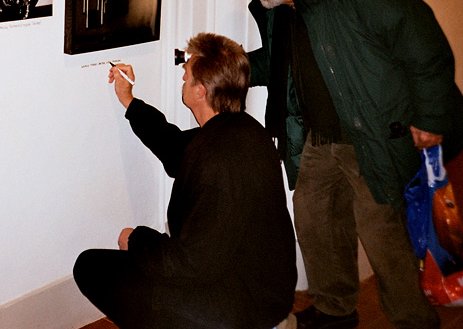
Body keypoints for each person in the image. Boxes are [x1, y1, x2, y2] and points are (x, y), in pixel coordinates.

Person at [225, 0, 463, 329]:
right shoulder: (284, 12)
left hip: (372, 137)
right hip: (321, 140)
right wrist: (224, 66)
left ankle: (414, 322)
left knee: (384, 236)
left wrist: (430, 118)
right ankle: (334, 310)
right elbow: (279, 65)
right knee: (313, 218)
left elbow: (424, 44)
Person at [73, 33, 297, 329]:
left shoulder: (219, 161)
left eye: (187, 73)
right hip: (260, 287)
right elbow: (175, 146)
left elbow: (191, 264)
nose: (182, 75)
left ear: (201, 91)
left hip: (243, 305)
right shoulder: (243, 130)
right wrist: (129, 100)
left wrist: (137, 240)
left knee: (91, 268)